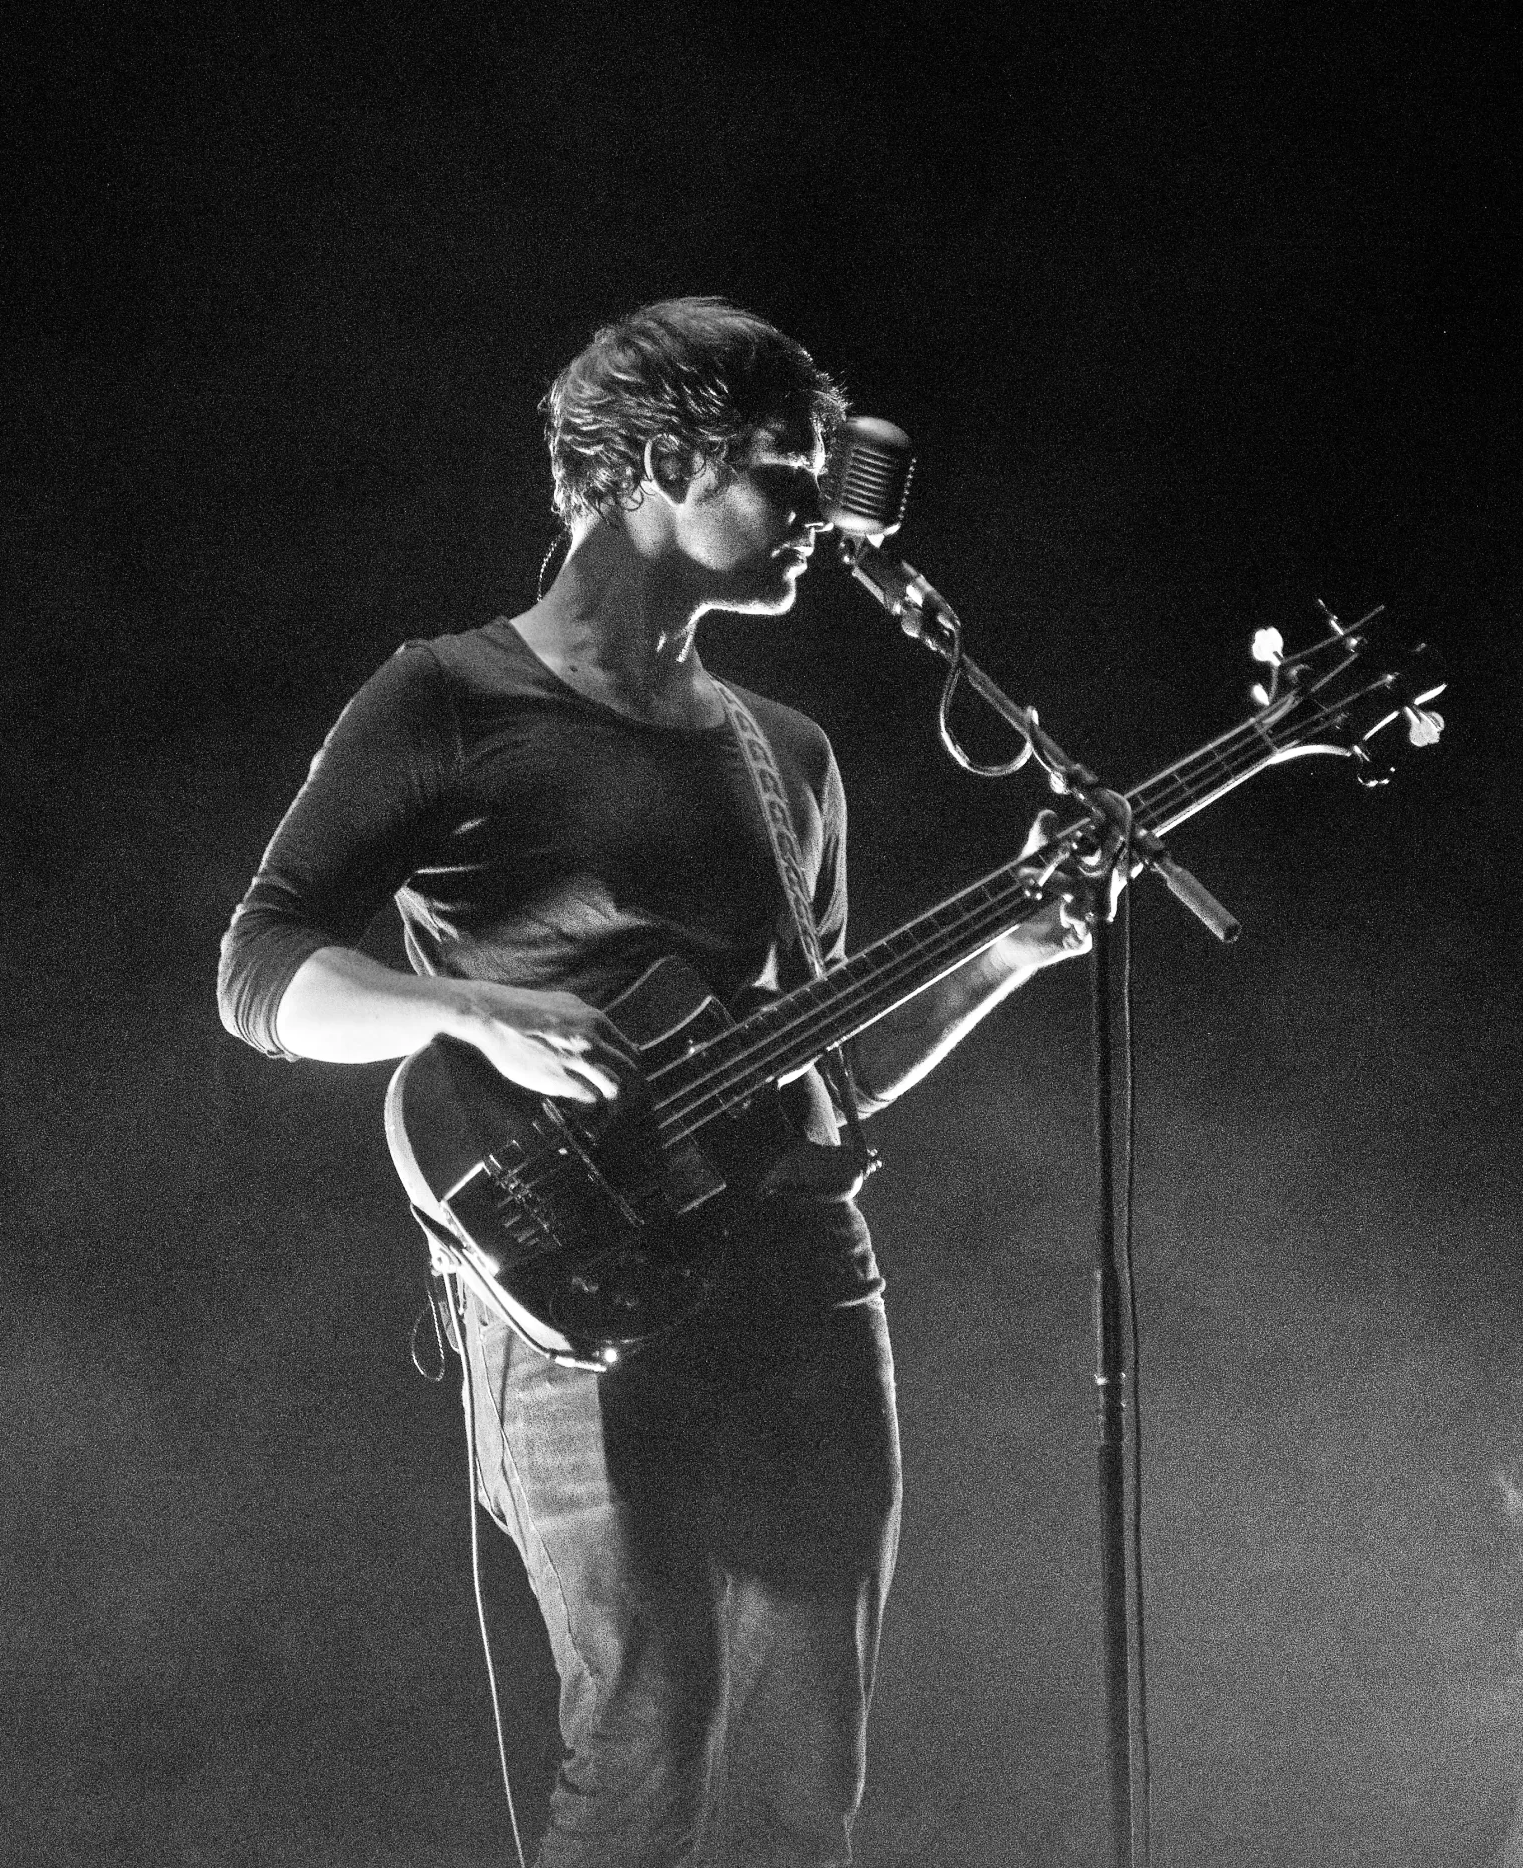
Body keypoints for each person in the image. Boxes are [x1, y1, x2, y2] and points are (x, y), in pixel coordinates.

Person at [216, 298, 1092, 1868]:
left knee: (798, 1785)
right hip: (571, 1292)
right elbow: (262, 974)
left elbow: (829, 1066)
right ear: (653, 459)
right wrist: (469, 1009)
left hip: (803, 1275)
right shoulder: (450, 699)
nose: (823, 517)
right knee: (643, 1748)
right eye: (787, 472)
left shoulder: (790, 754)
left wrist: (1005, 951)